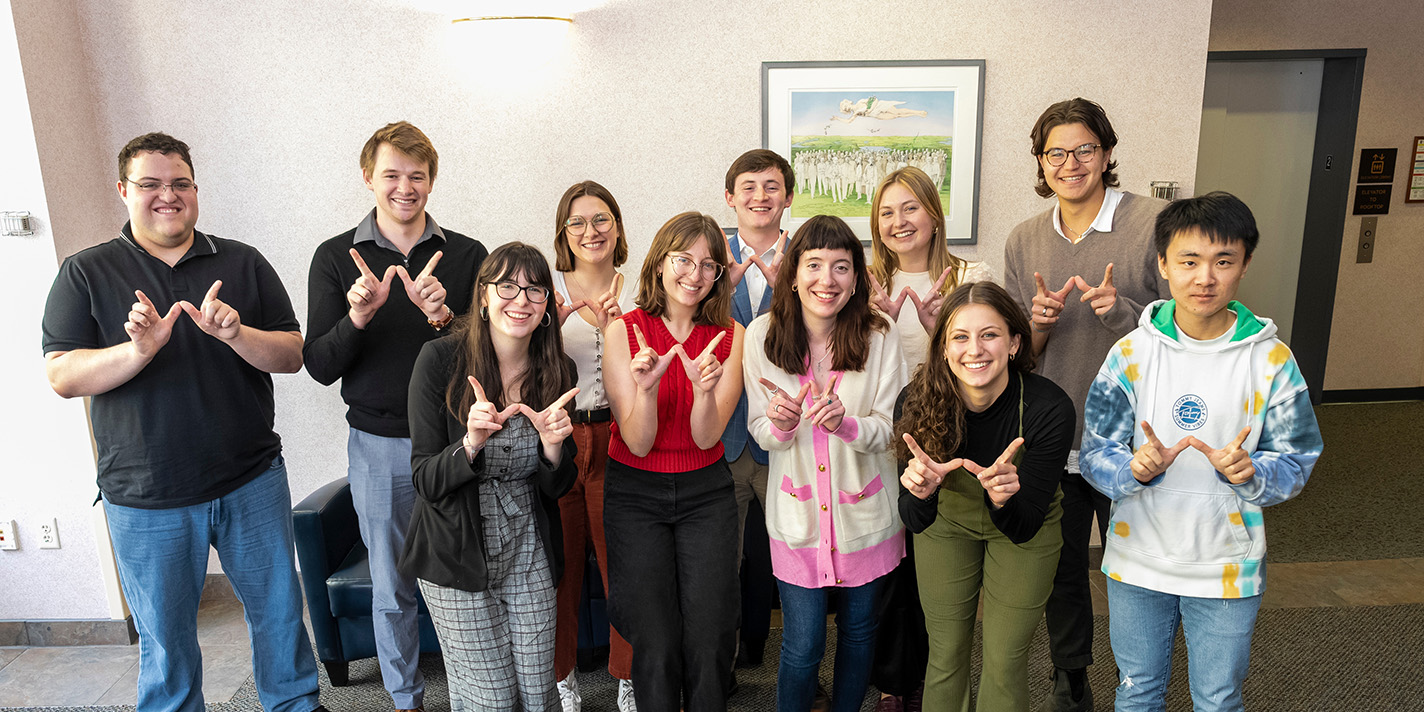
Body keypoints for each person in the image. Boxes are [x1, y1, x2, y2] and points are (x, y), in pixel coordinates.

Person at [41, 132, 323, 712]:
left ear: (195, 189)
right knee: (167, 643)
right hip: (146, 496)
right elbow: (63, 376)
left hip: (251, 479)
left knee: (279, 618)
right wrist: (137, 351)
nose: (167, 195)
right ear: (124, 191)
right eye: (150, 184)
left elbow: (294, 355)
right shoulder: (86, 272)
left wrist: (235, 333)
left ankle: (294, 704)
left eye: (179, 184)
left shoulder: (242, 261)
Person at [1080, 192, 1322, 712]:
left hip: (1226, 563)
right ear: (1163, 264)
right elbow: (1096, 450)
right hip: (1137, 557)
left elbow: (1298, 458)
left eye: (1223, 262)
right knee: (1136, 690)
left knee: (1217, 698)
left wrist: (1251, 471)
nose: (1204, 278)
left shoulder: (1271, 359)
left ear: (1245, 265)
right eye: (1188, 261)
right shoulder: (1130, 353)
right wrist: (1133, 469)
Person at [303, 120, 487, 706]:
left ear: (431, 182)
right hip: (379, 444)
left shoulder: (466, 255)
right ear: (368, 179)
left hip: (460, 442)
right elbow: (319, 364)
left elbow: (492, 350)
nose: (404, 187)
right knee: (391, 586)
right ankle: (406, 699)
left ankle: (475, 693)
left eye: (417, 176)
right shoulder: (337, 257)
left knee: (467, 579)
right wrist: (358, 317)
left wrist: (442, 319)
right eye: (391, 175)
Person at [1001, 98, 1170, 711]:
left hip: (1135, 432)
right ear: (1040, 163)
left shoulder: (1153, 223)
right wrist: (1037, 326)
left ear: (1106, 154)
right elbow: (1017, 351)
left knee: (1136, 564)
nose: (1070, 163)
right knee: (1062, 563)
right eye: (1056, 153)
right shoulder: (1024, 239)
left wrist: (1127, 314)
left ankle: (1142, 677)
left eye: (1084, 150)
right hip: (1055, 428)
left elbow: (1187, 325)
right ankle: (1070, 676)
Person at [401, 242, 580, 711]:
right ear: (482, 296)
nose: (520, 299)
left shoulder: (558, 371)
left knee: (539, 692)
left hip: (529, 549)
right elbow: (424, 479)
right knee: (492, 700)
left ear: (546, 308)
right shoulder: (438, 362)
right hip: (456, 550)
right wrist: (470, 444)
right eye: (506, 286)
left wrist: (553, 448)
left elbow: (559, 485)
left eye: (534, 289)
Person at [742, 215, 907, 712]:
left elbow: (891, 428)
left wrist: (846, 425)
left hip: (867, 517)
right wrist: (782, 422)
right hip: (797, 520)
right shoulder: (761, 336)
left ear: (857, 277)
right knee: (803, 642)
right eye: (814, 265)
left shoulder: (881, 334)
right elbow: (761, 432)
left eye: (841, 266)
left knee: (859, 633)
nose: (826, 280)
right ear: (793, 273)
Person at [897, 281, 1074, 711]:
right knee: (944, 654)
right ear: (942, 347)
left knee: (1005, 660)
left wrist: (1004, 500)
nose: (974, 349)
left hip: (1023, 527)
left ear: (1014, 343)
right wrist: (922, 494)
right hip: (946, 523)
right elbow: (913, 519)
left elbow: (1026, 522)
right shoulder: (916, 402)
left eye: (989, 334)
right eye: (960, 336)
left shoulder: (1049, 407)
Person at [603, 211, 745, 711]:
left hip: (706, 492)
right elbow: (638, 442)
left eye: (709, 264)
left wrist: (704, 393)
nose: (695, 273)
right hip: (635, 492)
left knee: (710, 637)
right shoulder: (625, 331)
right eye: (684, 259)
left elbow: (708, 438)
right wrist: (646, 390)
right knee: (656, 643)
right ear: (661, 262)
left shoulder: (731, 335)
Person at [866, 164, 992, 711]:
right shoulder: (868, 281)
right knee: (894, 562)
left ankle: (939, 678)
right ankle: (898, 681)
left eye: (910, 207)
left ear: (934, 215)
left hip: (955, 432)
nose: (900, 222)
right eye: (887, 212)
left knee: (940, 568)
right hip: (883, 433)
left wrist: (946, 323)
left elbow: (994, 352)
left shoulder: (972, 274)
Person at [547, 180, 637, 712]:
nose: (590, 231)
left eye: (601, 219)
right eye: (577, 223)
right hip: (559, 437)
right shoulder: (546, 291)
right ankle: (562, 679)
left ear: (618, 226)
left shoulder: (644, 291)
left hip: (619, 437)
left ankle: (626, 677)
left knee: (622, 567)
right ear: (564, 233)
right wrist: (547, 333)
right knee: (559, 571)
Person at [721, 148, 795, 673]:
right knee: (721, 564)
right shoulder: (706, 255)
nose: (760, 196)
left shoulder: (810, 258)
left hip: (785, 435)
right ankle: (718, 669)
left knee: (792, 561)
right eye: (748, 186)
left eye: (771, 187)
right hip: (721, 437)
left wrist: (788, 291)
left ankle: (794, 663)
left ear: (787, 198)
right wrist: (714, 295)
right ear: (730, 198)